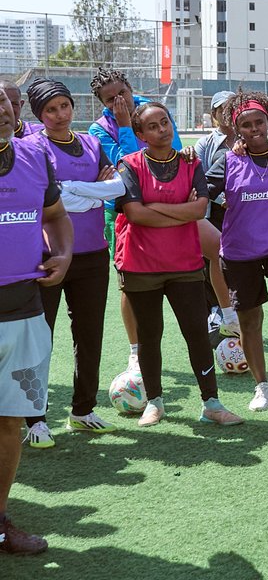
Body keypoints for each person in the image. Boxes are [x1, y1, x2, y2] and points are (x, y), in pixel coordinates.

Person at [113, 101, 243, 427]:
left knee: (197, 334)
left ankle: (211, 403)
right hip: (141, 264)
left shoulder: (190, 162)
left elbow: (199, 209)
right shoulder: (129, 165)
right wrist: (176, 212)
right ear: (140, 134)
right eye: (153, 126)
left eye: (165, 122)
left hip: (184, 263)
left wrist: (153, 208)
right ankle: (155, 403)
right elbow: (134, 213)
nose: (162, 130)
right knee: (149, 336)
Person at [22, 79, 122, 449]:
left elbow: (116, 187)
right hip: (46, 257)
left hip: (94, 254)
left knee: (90, 334)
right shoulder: (31, 147)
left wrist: (78, 192)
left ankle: (82, 411)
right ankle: (35, 419)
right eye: (51, 109)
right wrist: (85, 193)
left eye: (64, 106)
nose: (60, 114)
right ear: (39, 115)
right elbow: (49, 197)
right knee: (39, 340)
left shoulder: (92, 143)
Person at [0, 89, 71, 555]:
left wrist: (62, 254)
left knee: (10, 420)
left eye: (4, 107)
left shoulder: (34, 157)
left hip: (24, 309)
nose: (2, 114)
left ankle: (1, 520)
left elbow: (55, 216)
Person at [87, 68, 184, 374]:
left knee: (206, 253)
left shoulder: (155, 112)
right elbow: (128, 169)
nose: (119, 101)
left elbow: (175, 154)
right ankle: (135, 351)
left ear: (131, 87)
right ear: (102, 103)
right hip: (122, 214)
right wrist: (127, 128)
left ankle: (221, 316)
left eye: (122, 93)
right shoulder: (99, 130)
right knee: (129, 286)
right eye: (110, 99)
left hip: (167, 204)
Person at [206, 91, 268, 412]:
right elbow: (199, 190)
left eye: (259, 121)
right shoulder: (228, 159)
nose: (254, 128)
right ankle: (261, 386)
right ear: (236, 127)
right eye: (246, 124)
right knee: (249, 320)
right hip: (240, 250)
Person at [193, 90, 239, 338]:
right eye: (223, 109)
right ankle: (216, 313)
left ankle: (236, 313)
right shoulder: (205, 144)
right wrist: (222, 199)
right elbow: (200, 181)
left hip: (241, 214)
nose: (228, 113)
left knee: (237, 264)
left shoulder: (247, 136)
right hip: (215, 213)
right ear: (214, 115)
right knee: (213, 261)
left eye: (232, 107)